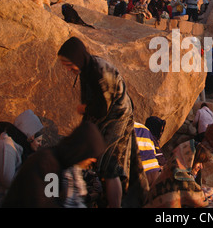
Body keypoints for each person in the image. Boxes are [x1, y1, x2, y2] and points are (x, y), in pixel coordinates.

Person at [57, 37, 149, 208]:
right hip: (107, 120)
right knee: (104, 163)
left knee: (110, 164)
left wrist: (85, 110)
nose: (69, 69)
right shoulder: (87, 69)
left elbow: (102, 108)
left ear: (77, 58)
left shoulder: (98, 70)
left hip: (117, 120)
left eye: (70, 65)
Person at [2, 121, 106, 208]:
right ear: (80, 151)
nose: (92, 160)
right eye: (90, 155)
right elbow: (44, 203)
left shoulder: (67, 169)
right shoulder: (47, 163)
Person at [0, 110, 44, 208]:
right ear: (26, 129)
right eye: (32, 132)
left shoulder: (16, 144)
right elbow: (7, 181)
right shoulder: (6, 146)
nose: (32, 137)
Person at [134, 122, 161, 188]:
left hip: (140, 172)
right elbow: (155, 152)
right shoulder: (144, 128)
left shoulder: (122, 128)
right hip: (154, 170)